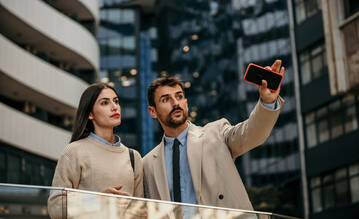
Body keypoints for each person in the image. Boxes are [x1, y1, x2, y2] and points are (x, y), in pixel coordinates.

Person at [142, 60, 285, 212]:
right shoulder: (147, 164)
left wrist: (268, 101)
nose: (175, 103)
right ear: (152, 111)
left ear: (186, 103)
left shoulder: (217, 133)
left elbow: (253, 133)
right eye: (165, 99)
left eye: (179, 96)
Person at [48, 83, 143, 218]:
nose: (114, 107)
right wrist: (97, 200)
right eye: (105, 103)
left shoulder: (133, 157)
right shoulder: (74, 151)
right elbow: (55, 206)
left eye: (116, 101)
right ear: (90, 114)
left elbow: (140, 211)